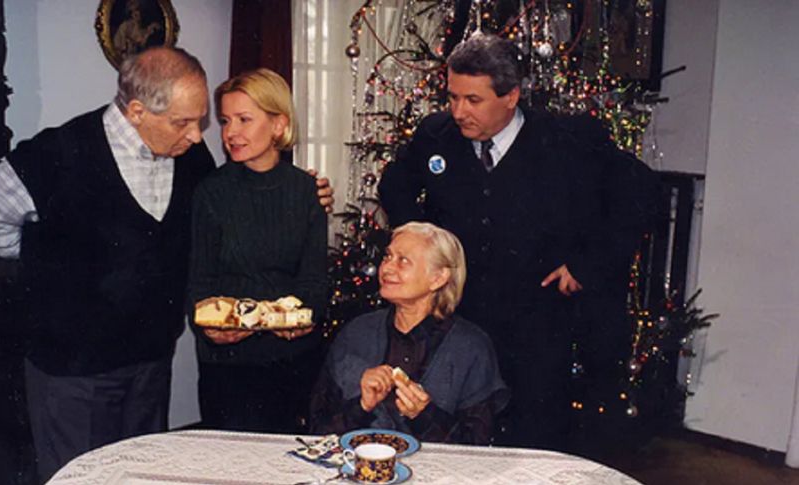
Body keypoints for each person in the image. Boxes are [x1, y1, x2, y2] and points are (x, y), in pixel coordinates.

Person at [0, 48, 334, 482]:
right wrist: (43, 267)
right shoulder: (56, 153)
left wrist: (310, 193)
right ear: (137, 111)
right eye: (183, 122)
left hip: (150, 366)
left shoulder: (191, 159)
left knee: (143, 476)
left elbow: (234, 211)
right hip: (73, 372)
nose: (197, 136)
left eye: (201, 121)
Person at [377, 34, 659, 450]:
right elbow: (394, 188)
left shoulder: (568, 141)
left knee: (532, 438)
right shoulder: (435, 136)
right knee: (454, 431)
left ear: (511, 96)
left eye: (473, 100)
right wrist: (423, 248)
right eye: (452, 97)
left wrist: (587, 264)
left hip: (537, 324)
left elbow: (642, 195)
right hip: (460, 318)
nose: (458, 111)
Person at [188, 68, 327, 433]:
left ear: (278, 124)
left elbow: (315, 282)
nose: (230, 133)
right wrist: (208, 329)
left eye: (244, 120)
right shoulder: (210, 193)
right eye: (225, 121)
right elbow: (198, 284)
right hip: (228, 364)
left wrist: (306, 318)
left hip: (293, 362)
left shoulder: (306, 192)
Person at [311, 222, 509, 445]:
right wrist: (362, 406)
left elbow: (477, 449)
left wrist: (424, 415)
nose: (387, 268)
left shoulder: (471, 348)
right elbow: (318, 431)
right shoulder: (356, 334)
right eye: (387, 257)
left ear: (438, 278)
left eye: (403, 260)